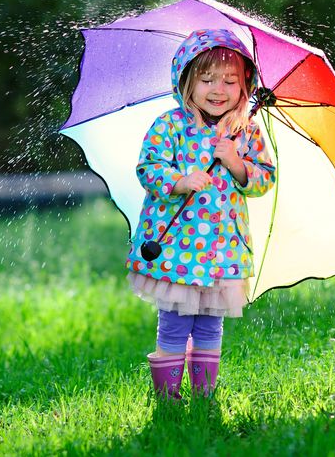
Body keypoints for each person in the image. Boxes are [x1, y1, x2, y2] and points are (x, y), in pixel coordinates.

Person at [125, 28, 276, 399]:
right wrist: (180, 180)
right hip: (177, 248)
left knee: (210, 325)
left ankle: (204, 396)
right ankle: (169, 398)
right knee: (176, 322)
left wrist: (236, 163)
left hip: (223, 250)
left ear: (246, 86)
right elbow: (149, 167)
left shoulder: (246, 132)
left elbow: (263, 178)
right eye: (207, 79)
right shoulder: (171, 125)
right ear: (187, 82)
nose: (218, 89)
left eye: (230, 81)